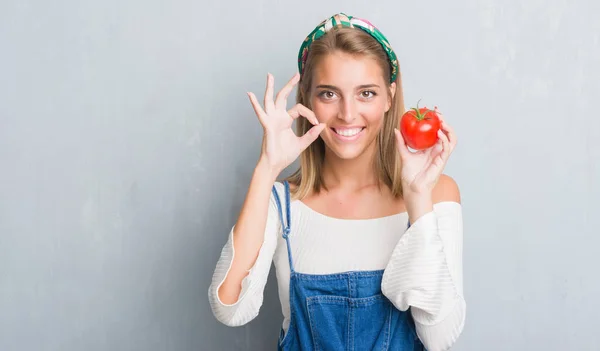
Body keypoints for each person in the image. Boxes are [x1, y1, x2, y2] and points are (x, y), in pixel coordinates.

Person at [208, 13, 465, 351]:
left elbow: (440, 338)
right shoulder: (281, 204)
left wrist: (417, 198)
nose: (346, 113)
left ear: (389, 97)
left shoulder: (435, 193)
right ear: (307, 98)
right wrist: (267, 167)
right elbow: (231, 309)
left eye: (366, 94)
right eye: (329, 94)